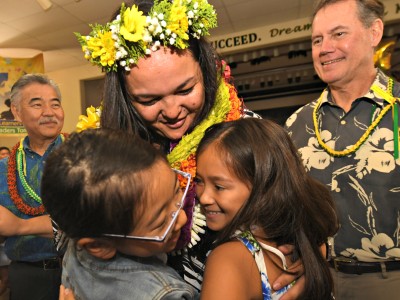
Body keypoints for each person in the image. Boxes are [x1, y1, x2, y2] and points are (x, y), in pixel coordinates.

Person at [0, 1, 303, 298]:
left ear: (207, 72)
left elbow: (298, 210)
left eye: (186, 89)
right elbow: (73, 229)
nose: (172, 111)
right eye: (148, 100)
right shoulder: (110, 148)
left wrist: (311, 254)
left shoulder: (245, 134)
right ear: (125, 98)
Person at [285, 0, 400, 299]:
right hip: (317, 281)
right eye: (317, 40)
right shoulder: (296, 124)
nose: (324, 48)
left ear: (374, 32)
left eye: (338, 34)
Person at [41, 128, 199, 299]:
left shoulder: (83, 230)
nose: (182, 218)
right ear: (99, 246)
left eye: (177, 191)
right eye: (160, 223)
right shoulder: (164, 294)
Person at [195, 118, 338, 299]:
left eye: (219, 186)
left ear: (263, 186)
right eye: (199, 181)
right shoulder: (302, 242)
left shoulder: (228, 259)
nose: (204, 198)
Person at [0, 73, 65, 300]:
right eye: (37, 104)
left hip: (81, 271)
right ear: (16, 112)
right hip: (27, 277)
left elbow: (89, 221)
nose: (49, 112)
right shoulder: (3, 168)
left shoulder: (85, 155)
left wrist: (18, 225)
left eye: (55, 104)